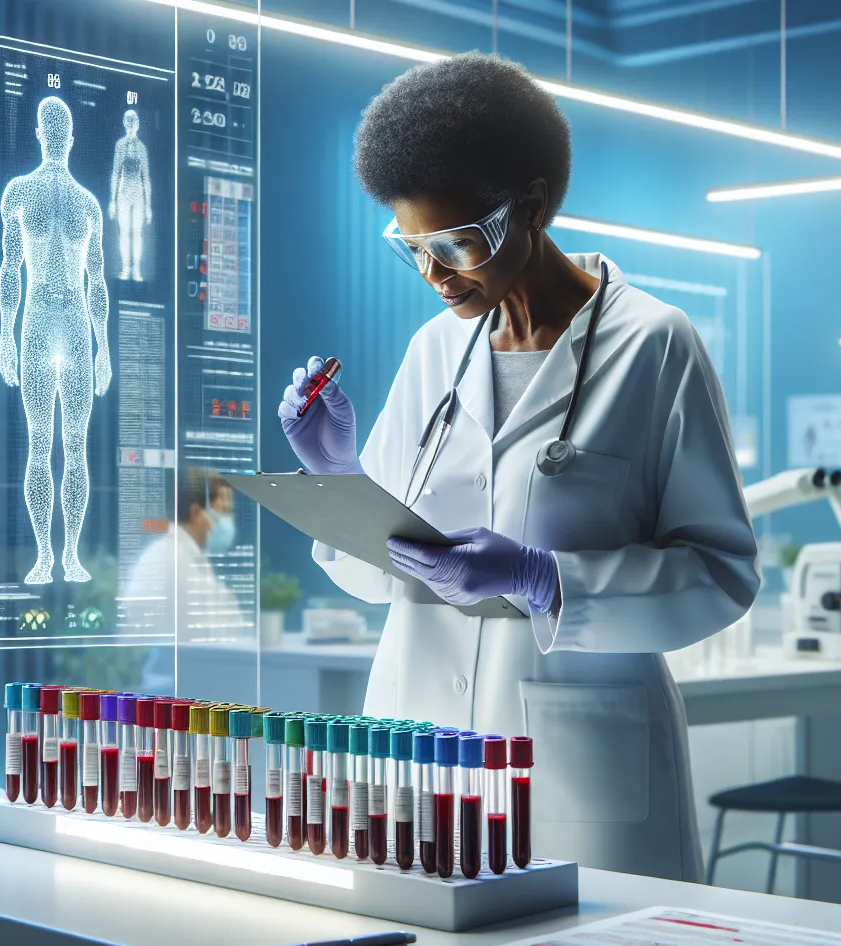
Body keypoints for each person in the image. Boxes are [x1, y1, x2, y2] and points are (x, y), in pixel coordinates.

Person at [277, 53, 758, 882]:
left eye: (457, 244)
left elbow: (721, 574)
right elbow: (374, 575)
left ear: (532, 207)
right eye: (412, 247)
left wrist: (546, 580)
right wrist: (340, 478)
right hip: (421, 746)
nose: (433, 275)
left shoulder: (654, 345)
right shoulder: (436, 350)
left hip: (578, 761)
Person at [0, 96, 111, 585]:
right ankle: (50, 557)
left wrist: (104, 348)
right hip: (49, 322)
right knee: (48, 444)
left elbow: (97, 281)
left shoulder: (76, 202)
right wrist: (5, 335)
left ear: (46, 135)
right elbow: (11, 270)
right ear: (60, 138)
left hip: (62, 323)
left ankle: (63, 557)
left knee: (63, 444)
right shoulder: (29, 195)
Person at [125, 467, 246, 641]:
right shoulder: (178, 561)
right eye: (224, 511)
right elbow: (209, 633)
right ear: (196, 512)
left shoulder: (176, 554)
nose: (228, 521)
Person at [109, 109, 153, 281]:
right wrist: (112, 201)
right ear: (124, 123)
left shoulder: (142, 148)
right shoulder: (120, 145)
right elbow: (115, 173)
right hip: (123, 192)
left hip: (138, 194)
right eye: (127, 120)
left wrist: (148, 206)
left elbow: (146, 178)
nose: (130, 124)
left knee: (137, 232)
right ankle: (126, 268)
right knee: (124, 232)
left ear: (138, 124)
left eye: (133, 120)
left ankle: (136, 270)